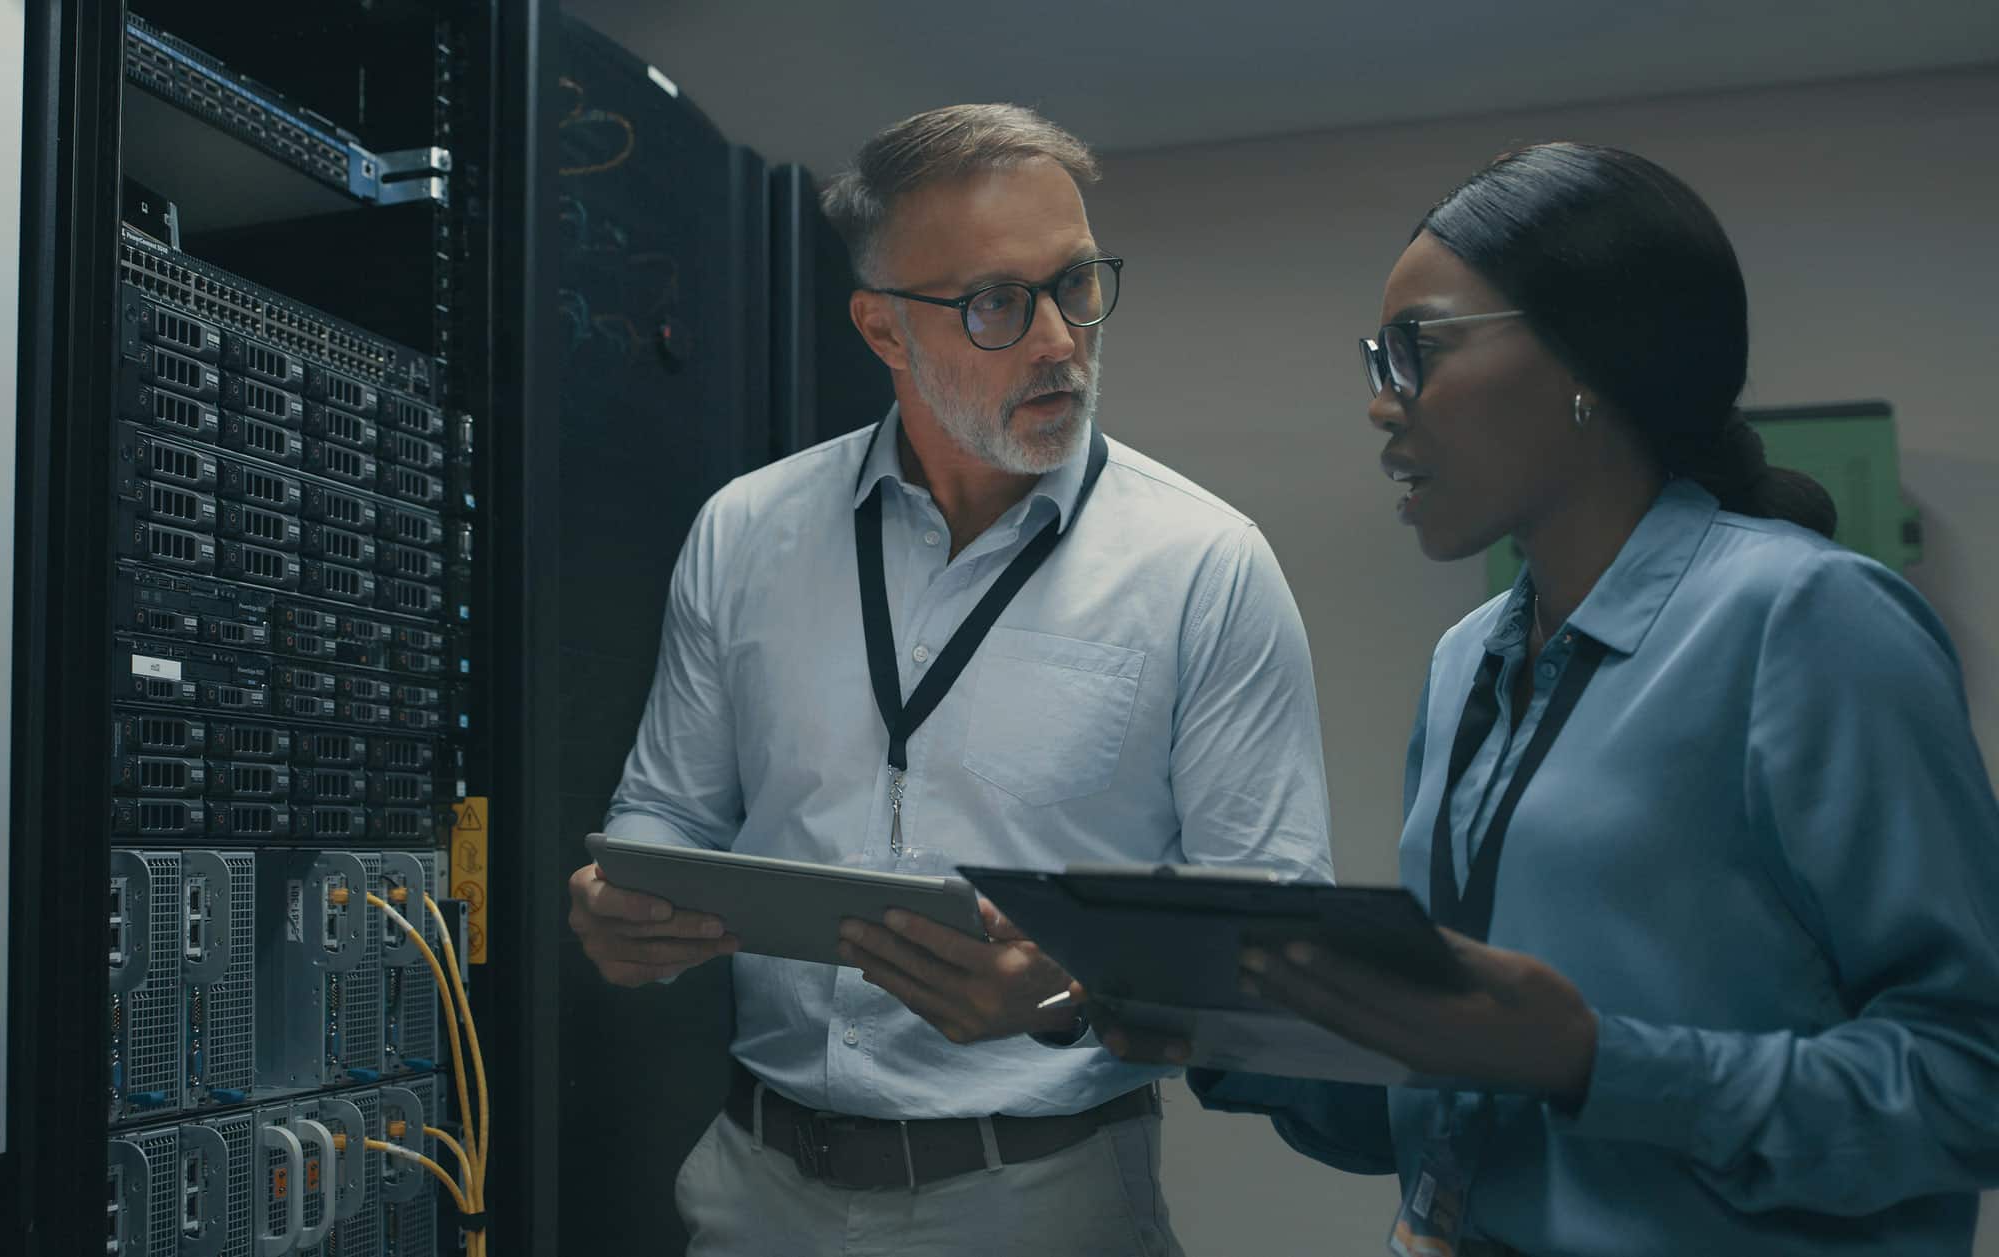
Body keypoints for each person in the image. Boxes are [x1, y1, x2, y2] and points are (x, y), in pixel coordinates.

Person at [1101, 141, 1999, 1256]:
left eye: (1415, 349)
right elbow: (1447, 1094)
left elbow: (1970, 1083)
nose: (1383, 404)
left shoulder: (1808, 621)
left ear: (1590, 356)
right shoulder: (1465, 661)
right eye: (1376, 359)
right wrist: (1189, 1014)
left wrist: (1591, 1063)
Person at [565, 104, 1335, 1256]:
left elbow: (1278, 947)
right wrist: (619, 906)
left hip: (1043, 1201)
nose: (1059, 341)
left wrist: (1073, 993)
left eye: (1075, 285)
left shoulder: (1203, 567)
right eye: (995, 304)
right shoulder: (744, 532)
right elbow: (668, 814)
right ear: (880, 331)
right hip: (750, 1190)